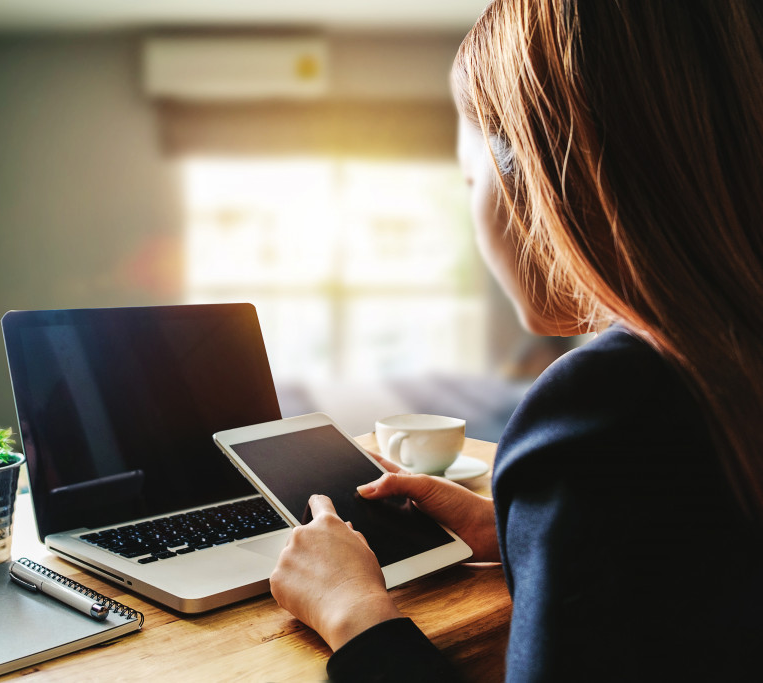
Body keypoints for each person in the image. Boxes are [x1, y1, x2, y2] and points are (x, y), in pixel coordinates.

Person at [268, 1, 763, 680]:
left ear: (537, 179)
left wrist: (353, 610)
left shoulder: (609, 407)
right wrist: (516, 527)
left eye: (472, 180)